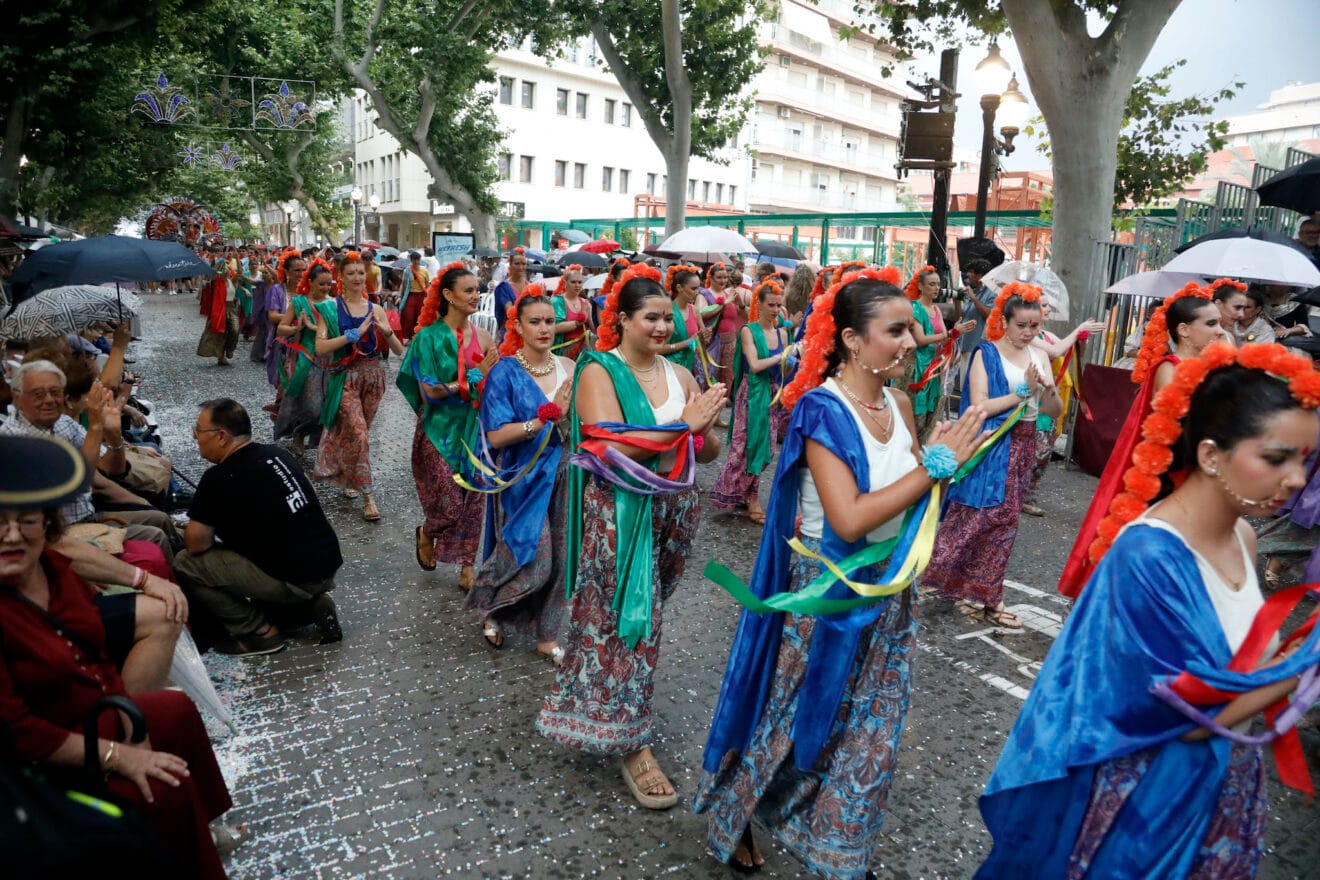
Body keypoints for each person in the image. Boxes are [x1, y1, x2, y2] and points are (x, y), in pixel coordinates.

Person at [977, 342, 1320, 879]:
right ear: (1209, 455)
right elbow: (1180, 722)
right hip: (1149, 804)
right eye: (1277, 458)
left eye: (1305, 459)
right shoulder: (1148, 555)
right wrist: (1300, 665)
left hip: (1219, 784)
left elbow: (1240, 669)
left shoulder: (1245, 535)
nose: (1297, 480)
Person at [695, 268, 988, 877]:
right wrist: (935, 468)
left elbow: (908, 496)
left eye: (911, 329)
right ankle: (738, 811)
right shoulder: (822, 410)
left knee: (871, 727)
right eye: (897, 330)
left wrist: (944, 469)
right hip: (826, 595)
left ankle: (839, 850)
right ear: (853, 340)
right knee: (793, 719)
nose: (912, 341)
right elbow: (850, 519)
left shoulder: (901, 403)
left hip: (889, 591)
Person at [0, 435, 241, 879]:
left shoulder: (51, 571)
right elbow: (19, 734)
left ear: (47, 526)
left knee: (173, 710)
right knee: (164, 785)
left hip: (90, 712)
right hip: (38, 763)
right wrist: (120, 755)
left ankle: (202, 827)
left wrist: (128, 718)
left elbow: (95, 654)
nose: (12, 535)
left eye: (26, 520)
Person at [537, 264, 725, 810]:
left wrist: (704, 431)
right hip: (619, 517)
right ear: (621, 320)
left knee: (638, 620)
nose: (664, 327)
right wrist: (682, 429)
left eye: (669, 317)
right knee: (637, 623)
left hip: (676, 517)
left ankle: (600, 708)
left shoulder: (682, 374)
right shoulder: (599, 370)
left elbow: (704, 452)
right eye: (652, 317)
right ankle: (633, 746)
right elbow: (609, 450)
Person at [1057, 282, 1231, 597]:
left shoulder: (1209, 368)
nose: (1220, 330)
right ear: (1184, 330)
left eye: (1220, 322)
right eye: (1212, 323)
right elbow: (1178, 426)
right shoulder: (1170, 368)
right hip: (1166, 480)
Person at [923, 283, 1062, 628]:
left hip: (1025, 443)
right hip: (989, 445)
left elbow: (1052, 410)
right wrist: (1023, 391)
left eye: (1035, 325)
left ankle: (990, 596)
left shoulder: (1041, 354)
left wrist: (1048, 389)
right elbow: (980, 405)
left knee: (1006, 524)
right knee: (971, 517)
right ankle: (932, 579)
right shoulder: (986, 354)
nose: (1029, 332)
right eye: (1022, 325)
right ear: (1005, 321)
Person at [174, 399, 343, 656]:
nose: (195, 437)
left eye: (198, 430)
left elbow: (196, 544)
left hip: (294, 576)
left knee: (186, 563)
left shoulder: (218, 478)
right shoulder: (277, 455)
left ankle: (260, 633)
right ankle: (309, 606)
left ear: (221, 436)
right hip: (325, 564)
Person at [466, 287, 573, 662]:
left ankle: (547, 634)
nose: (545, 328)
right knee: (532, 551)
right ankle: (491, 604)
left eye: (550, 321)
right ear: (519, 327)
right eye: (535, 322)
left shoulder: (571, 369)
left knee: (562, 557)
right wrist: (543, 418)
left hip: (564, 474)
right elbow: (496, 435)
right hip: (521, 477)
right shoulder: (505, 373)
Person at [0, 361, 174, 570]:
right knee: (155, 536)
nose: (49, 400)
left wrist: (114, 436)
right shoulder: (15, 439)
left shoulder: (62, 423)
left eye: (55, 392)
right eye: (38, 394)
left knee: (160, 518)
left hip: (88, 514)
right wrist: (96, 426)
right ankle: (172, 593)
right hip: (59, 532)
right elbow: (80, 480)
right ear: (18, 397)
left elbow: (113, 470)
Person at [397, 262, 498, 590]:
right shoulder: (427, 338)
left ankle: (468, 567)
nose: (475, 295)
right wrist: (472, 377)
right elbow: (429, 393)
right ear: (447, 295)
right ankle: (427, 532)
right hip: (439, 431)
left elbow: (494, 384)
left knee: (475, 500)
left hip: (475, 430)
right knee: (451, 506)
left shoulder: (484, 337)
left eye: (477, 290)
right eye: (468, 290)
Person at [312, 251, 405, 522]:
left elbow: (399, 351)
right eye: (350, 273)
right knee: (360, 434)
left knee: (357, 435)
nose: (356, 278)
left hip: (374, 377)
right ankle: (368, 495)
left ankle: (351, 477)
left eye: (361, 273)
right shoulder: (329, 308)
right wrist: (350, 336)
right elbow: (320, 347)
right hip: (345, 377)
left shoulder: (376, 309)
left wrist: (385, 331)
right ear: (340, 277)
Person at [709, 279, 798, 523]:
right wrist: (782, 357)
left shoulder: (783, 332)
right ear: (758, 303)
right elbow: (756, 365)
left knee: (767, 448)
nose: (775, 309)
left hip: (772, 394)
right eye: (771, 304)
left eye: (779, 305)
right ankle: (751, 499)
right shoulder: (749, 330)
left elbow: (785, 372)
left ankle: (745, 493)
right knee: (745, 447)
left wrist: (789, 366)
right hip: (752, 394)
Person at [1020, 307, 1108, 517]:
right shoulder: (1027, 335)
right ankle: (1019, 494)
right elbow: (1054, 351)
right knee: (1032, 449)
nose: (1048, 309)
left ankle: (1028, 493)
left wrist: (1081, 340)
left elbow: (1071, 350)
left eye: (1049, 305)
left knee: (1045, 449)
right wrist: (1077, 329)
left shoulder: (1047, 335)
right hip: (1031, 396)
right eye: (1043, 305)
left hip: (1050, 397)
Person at [906, 266, 975, 439]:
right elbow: (921, 339)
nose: (937, 288)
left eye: (938, 284)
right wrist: (947, 334)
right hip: (917, 368)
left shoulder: (936, 310)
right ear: (920, 286)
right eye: (931, 284)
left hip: (935, 366)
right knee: (915, 416)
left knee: (933, 416)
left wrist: (956, 332)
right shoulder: (914, 308)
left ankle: (925, 453)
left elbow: (944, 338)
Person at [274, 258, 334, 455]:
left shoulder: (334, 303)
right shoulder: (299, 302)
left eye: (329, 284)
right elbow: (281, 329)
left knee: (328, 405)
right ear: (310, 282)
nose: (326, 288)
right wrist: (297, 327)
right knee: (312, 405)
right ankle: (299, 433)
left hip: (331, 361)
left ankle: (316, 439)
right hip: (307, 359)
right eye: (321, 284)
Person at [262, 249, 305, 395]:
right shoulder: (277, 290)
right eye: (297, 270)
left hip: (306, 344)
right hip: (283, 344)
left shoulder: (309, 291)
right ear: (286, 272)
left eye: (304, 270)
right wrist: (295, 318)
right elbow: (272, 316)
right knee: (284, 382)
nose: (301, 274)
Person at [661, 264, 712, 376]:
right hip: (671, 369)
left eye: (698, 288)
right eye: (693, 288)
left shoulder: (695, 310)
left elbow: (699, 342)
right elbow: (657, 349)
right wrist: (687, 343)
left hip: (691, 367)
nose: (697, 292)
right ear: (679, 288)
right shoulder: (666, 311)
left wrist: (705, 338)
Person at [955, 258, 996, 383]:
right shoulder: (972, 291)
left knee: (975, 387)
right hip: (965, 345)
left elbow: (990, 315)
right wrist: (957, 301)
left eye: (971, 272)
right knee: (964, 387)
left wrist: (973, 298)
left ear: (980, 275)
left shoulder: (992, 293)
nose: (967, 275)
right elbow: (960, 318)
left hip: (978, 347)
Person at [196, 249, 239, 366]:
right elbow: (214, 273)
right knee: (220, 333)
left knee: (235, 330)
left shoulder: (232, 281)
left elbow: (239, 272)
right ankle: (221, 357)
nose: (227, 273)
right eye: (224, 271)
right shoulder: (217, 282)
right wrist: (222, 260)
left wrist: (237, 258)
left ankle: (230, 349)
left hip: (232, 309)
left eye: (228, 271)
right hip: (220, 309)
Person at [550, 264, 593, 359]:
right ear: (565, 283)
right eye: (573, 282)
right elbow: (554, 328)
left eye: (579, 282)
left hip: (582, 351)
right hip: (561, 351)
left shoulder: (585, 303)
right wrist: (578, 322)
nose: (577, 285)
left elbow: (594, 331)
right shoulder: (557, 301)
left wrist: (589, 318)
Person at [493, 247, 530, 344]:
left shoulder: (529, 286)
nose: (521, 267)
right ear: (510, 265)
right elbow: (510, 312)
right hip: (510, 335)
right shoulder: (503, 287)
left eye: (524, 264)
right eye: (517, 264)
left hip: (527, 334)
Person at [398, 250, 431, 342]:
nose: (416, 262)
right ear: (411, 260)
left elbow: (427, 285)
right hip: (411, 295)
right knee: (408, 316)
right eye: (414, 260)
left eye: (418, 260)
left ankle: (420, 337)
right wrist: (399, 296)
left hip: (421, 296)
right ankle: (410, 338)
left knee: (420, 316)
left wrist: (429, 297)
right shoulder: (407, 271)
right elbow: (403, 284)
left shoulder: (424, 271)